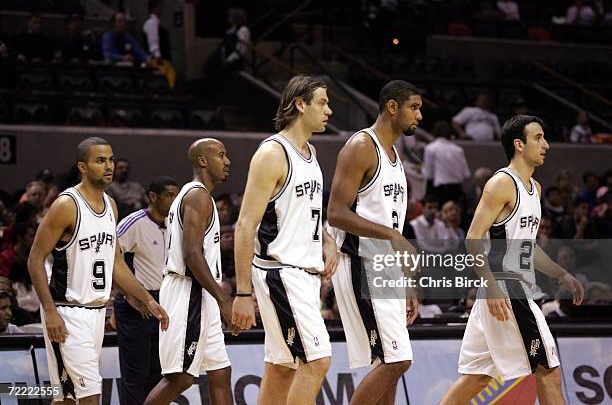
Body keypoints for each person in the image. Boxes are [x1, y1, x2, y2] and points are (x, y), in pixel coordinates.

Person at [440, 115, 584, 405]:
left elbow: (526, 248)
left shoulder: (536, 188)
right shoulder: (501, 183)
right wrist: (492, 287)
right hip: (506, 288)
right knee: (548, 372)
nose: (546, 145)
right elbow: (473, 237)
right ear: (519, 144)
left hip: (503, 289)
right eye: (538, 138)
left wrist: (561, 274)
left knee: (477, 377)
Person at [27, 137, 168, 404]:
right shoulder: (66, 205)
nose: (109, 166)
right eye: (100, 160)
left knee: (67, 398)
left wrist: (146, 298)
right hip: (67, 312)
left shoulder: (111, 205)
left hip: (96, 313)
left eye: (111, 159)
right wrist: (49, 311)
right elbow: (34, 259)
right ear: (82, 166)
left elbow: (115, 263)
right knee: (90, 396)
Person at [231, 75, 338, 405]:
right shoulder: (273, 154)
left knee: (282, 367)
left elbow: (306, 212)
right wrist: (242, 293)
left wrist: (328, 240)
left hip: (301, 274)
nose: (329, 110)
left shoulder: (311, 151)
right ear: (300, 104)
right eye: (322, 102)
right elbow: (245, 226)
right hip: (280, 272)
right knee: (317, 359)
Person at [327, 80, 421, 405]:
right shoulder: (361, 147)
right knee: (398, 360)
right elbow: (336, 213)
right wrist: (392, 236)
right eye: (414, 107)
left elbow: (391, 224)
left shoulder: (395, 155)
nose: (419, 116)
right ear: (392, 107)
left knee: (389, 363)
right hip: (360, 264)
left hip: (386, 269)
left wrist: (407, 283)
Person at [144, 139, 234, 405]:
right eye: (221, 155)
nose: (227, 161)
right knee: (180, 377)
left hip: (201, 293)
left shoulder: (199, 196)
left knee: (220, 372)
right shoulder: (197, 195)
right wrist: (223, 299)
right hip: (189, 292)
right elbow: (192, 254)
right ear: (202, 161)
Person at [114, 175, 179, 405]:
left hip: (166, 302)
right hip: (138, 305)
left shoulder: (176, 224)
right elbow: (109, 259)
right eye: (170, 195)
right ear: (153, 197)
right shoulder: (133, 223)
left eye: (176, 195)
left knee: (160, 375)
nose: (175, 200)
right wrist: (129, 295)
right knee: (135, 378)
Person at [422, 120, 470, 205]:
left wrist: (422, 169)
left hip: (441, 190)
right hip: (457, 189)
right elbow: (466, 174)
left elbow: (429, 175)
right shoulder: (458, 150)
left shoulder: (431, 148)